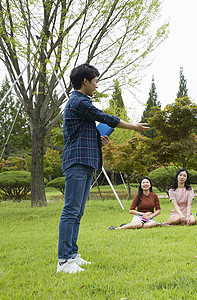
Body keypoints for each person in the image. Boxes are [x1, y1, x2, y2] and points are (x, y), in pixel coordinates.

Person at [58, 63, 148, 274]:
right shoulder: (78, 101)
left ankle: (72, 255)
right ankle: (63, 261)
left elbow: (78, 135)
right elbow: (105, 118)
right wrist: (133, 126)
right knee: (71, 210)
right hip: (77, 162)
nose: (97, 86)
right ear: (85, 81)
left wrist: (98, 141)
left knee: (77, 212)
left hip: (85, 161)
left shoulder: (81, 104)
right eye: (96, 81)